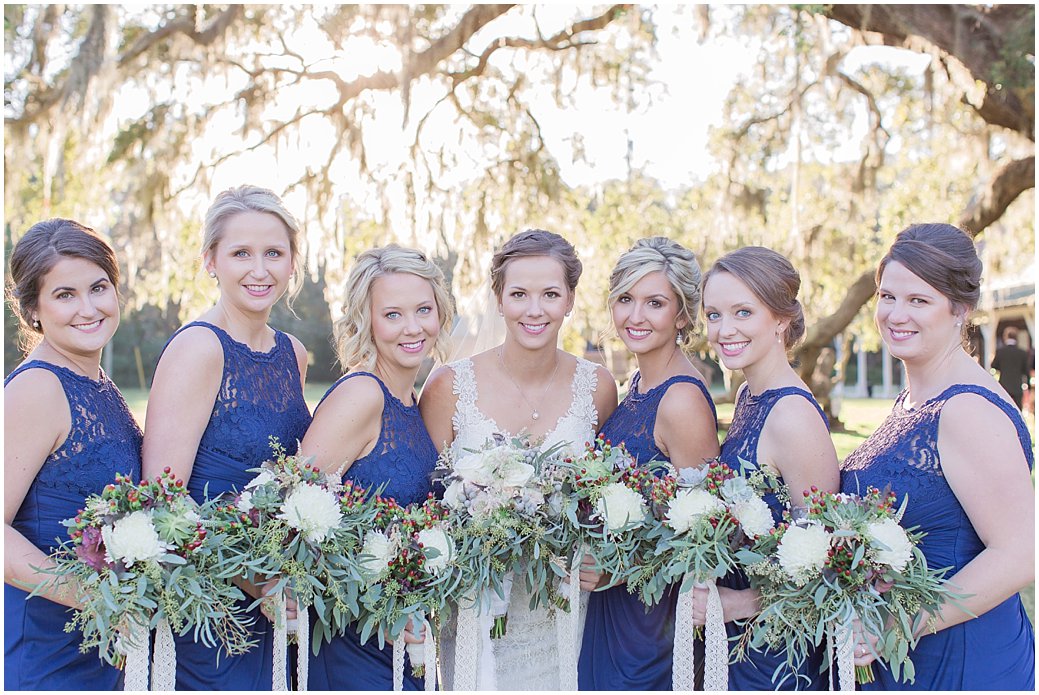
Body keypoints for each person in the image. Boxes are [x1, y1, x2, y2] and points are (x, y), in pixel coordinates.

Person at [420, 229, 617, 690]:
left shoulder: (598, 387)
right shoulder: (450, 386)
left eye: (550, 294)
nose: (534, 310)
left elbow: (606, 495)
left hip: (564, 617)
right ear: (499, 298)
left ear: (569, 300)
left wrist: (606, 562)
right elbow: (422, 506)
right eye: (519, 294)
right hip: (474, 613)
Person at [842, 223, 1034, 690]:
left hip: (961, 661)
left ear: (960, 310)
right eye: (887, 297)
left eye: (918, 300)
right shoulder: (918, 395)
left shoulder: (967, 409)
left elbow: (1021, 554)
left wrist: (896, 626)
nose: (895, 314)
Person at [142, 185, 312, 690]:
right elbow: (163, 504)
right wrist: (251, 579)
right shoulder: (198, 348)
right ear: (210, 260)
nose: (259, 270)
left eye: (273, 253)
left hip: (280, 603)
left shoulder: (293, 354)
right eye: (241, 253)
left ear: (291, 264)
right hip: (211, 611)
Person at [299, 244, 453, 690]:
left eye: (424, 309)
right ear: (366, 320)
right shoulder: (363, 395)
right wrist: (375, 601)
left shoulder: (410, 400)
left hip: (402, 638)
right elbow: (292, 520)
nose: (413, 327)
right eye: (392, 314)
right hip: (351, 643)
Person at [5, 219, 143, 690]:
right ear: (33, 311)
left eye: (99, 287)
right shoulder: (37, 388)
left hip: (101, 646)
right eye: (65, 295)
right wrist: (98, 598)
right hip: (47, 652)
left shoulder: (99, 384)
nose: (88, 308)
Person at [578, 237, 720, 690]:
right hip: (611, 608)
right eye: (625, 300)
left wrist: (618, 569)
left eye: (654, 303)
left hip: (651, 625)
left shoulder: (681, 399)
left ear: (681, 315)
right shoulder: (639, 381)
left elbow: (706, 535)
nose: (635, 317)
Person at [697, 246, 839, 690]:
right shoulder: (748, 398)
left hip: (775, 653)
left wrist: (739, 603)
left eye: (743, 312)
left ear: (780, 319)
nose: (725, 329)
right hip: (733, 638)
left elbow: (830, 561)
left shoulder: (792, 415)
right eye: (714, 314)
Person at [991, 326, 1030, 409]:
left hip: (1004, 386)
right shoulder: (1022, 353)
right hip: (1017, 387)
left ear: (1005, 336)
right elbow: (1026, 371)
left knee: (1005, 411)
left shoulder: (1000, 352)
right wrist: (1029, 387)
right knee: (1018, 412)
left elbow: (993, 365)